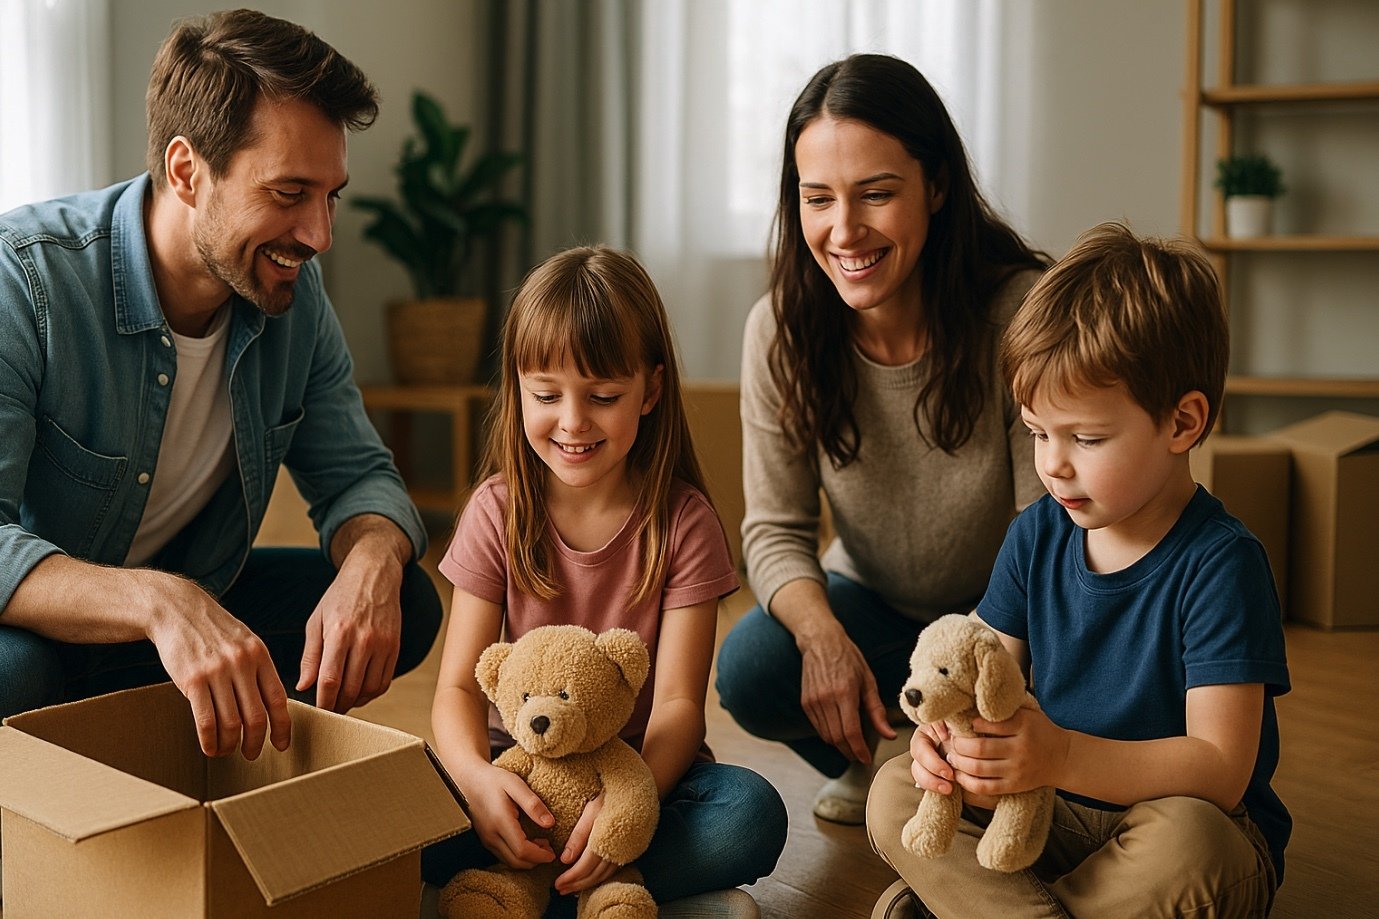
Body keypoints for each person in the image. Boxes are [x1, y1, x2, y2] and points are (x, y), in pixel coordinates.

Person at [0, 10, 442, 759]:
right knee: (16, 672)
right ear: (186, 171)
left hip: (184, 610)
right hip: (48, 626)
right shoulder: (27, 280)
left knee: (409, 601)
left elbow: (359, 477)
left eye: (330, 195)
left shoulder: (292, 295)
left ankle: (145, 728)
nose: (318, 235)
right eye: (289, 192)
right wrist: (157, 601)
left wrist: (371, 562)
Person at [867, 222, 1290, 918]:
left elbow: (1219, 769)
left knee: (1194, 845)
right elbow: (980, 679)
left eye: (1085, 438)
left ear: (1182, 423)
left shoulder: (1221, 563)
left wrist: (1059, 755)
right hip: (1046, 814)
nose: (1052, 463)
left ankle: (981, 908)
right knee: (894, 790)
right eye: (1037, 432)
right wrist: (946, 748)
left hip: (1174, 825)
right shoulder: (1035, 534)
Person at [714, 53, 1050, 825]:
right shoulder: (777, 332)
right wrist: (822, 635)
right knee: (754, 664)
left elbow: (1051, 530)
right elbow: (774, 528)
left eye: (875, 194)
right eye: (817, 199)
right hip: (871, 604)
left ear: (935, 186)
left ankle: (942, 768)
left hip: (1006, 609)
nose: (843, 230)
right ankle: (904, 767)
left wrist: (993, 658)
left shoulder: (1023, 311)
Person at [423, 246, 787, 918]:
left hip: (639, 777)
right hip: (518, 776)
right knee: (398, 806)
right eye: (546, 394)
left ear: (649, 390)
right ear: (516, 387)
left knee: (749, 814)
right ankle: (619, 900)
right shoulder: (494, 510)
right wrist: (477, 784)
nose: (572, 421)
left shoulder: (683, 520)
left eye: (602, 396)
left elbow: (678, 705)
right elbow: (455, 688)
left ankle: (521, 897)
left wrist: (623, 812)